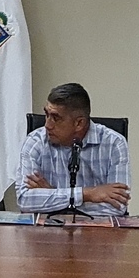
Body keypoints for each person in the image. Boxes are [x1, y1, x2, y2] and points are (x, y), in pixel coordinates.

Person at [17, 82, 129, 216]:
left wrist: (51, 196)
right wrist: (88, 194)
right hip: (49, 228)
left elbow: (117, 207)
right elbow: (25, 200)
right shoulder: (35, 141)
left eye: (55, 118)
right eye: (47, 114)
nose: (47, 125)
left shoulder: (114, 144)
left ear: (79, 123)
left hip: (96, 229)